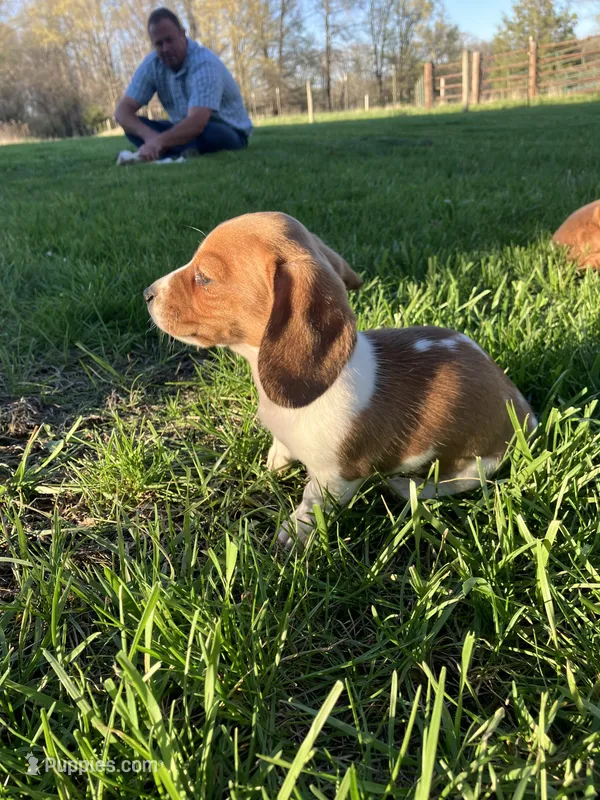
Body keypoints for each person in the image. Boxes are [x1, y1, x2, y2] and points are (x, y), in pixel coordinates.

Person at [114, 7, 252, 162]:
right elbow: (121, 112)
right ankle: (179, 149)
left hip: (224, 129)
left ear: (182, 34)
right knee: (133, 128)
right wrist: (150, 137)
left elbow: (197, 122)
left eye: (169, 40)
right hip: (181, 129)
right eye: (159, 43)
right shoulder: (152, 64)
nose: (165, 48)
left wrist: (158, 142)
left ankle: (168, 150)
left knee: (211, 133)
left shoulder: (204, 64)